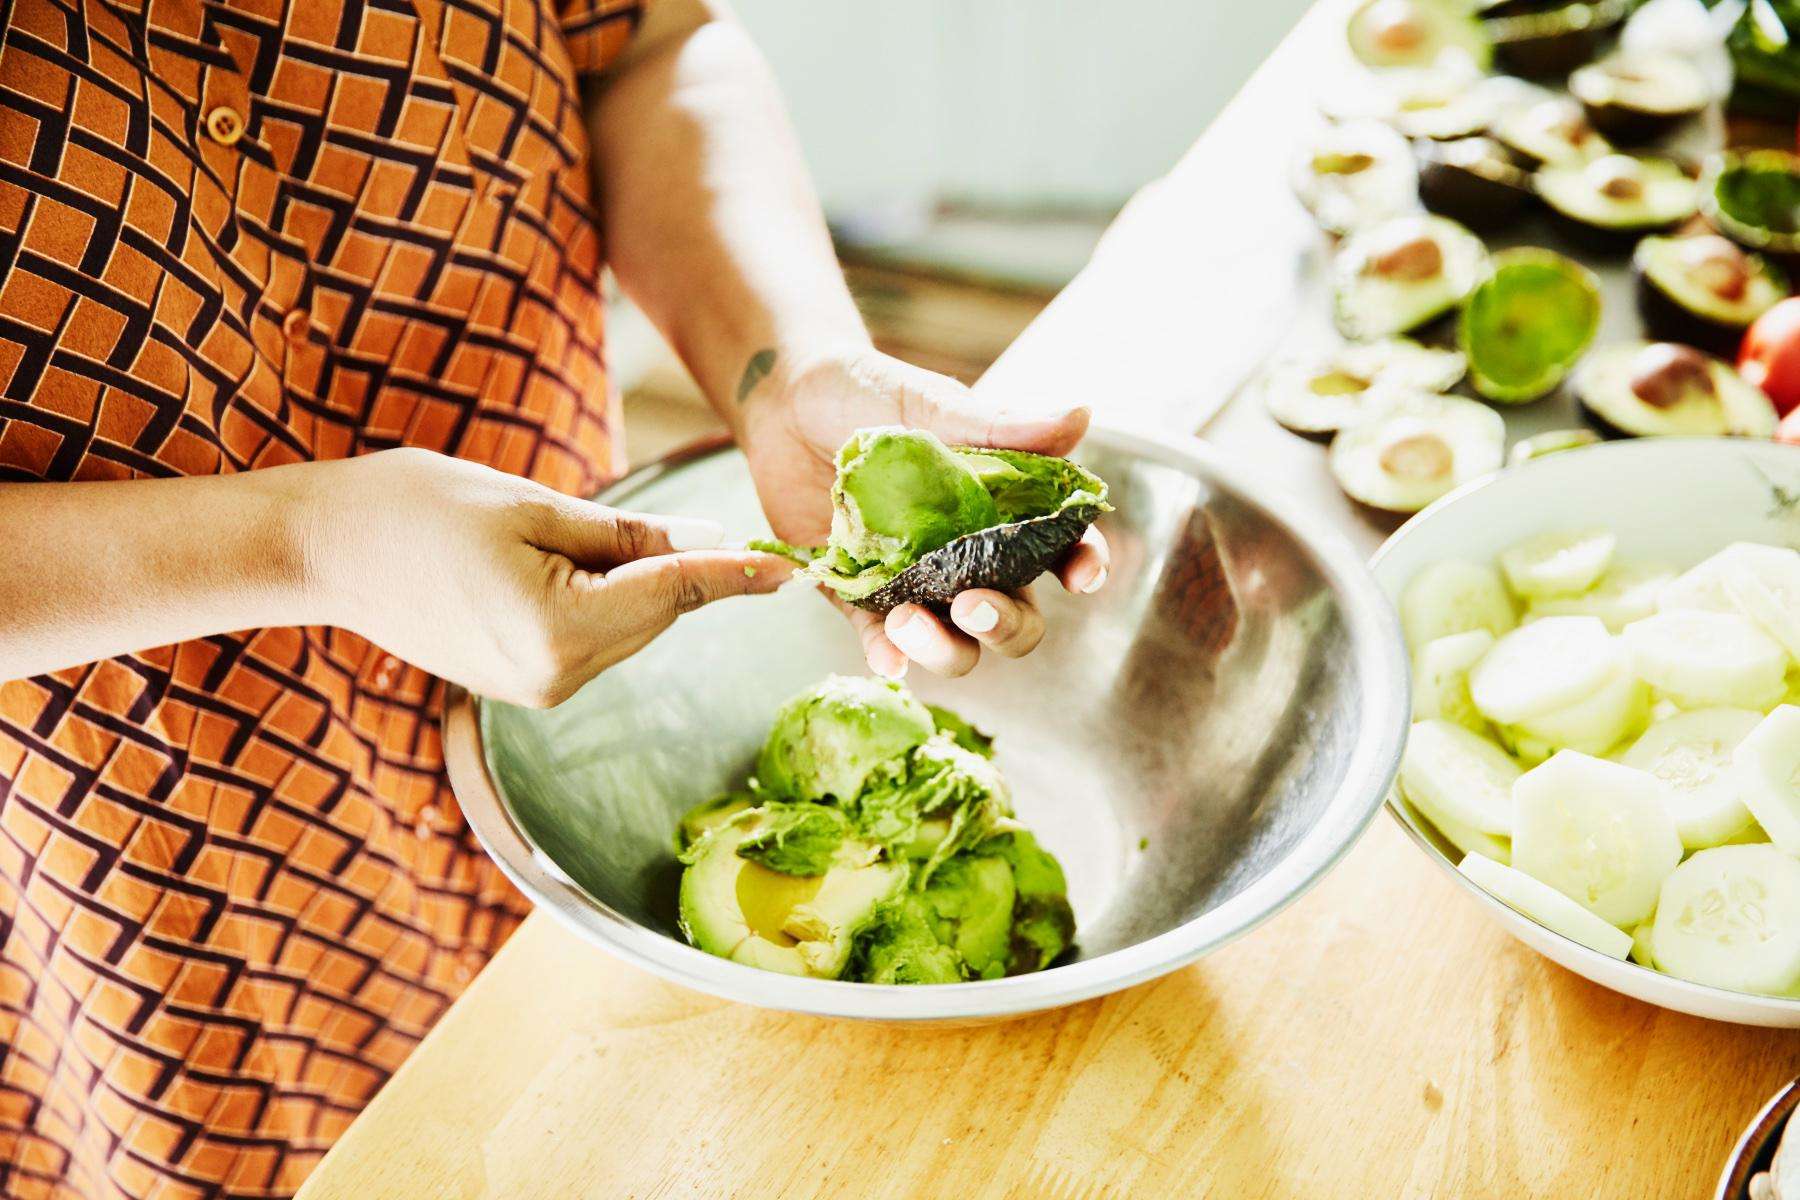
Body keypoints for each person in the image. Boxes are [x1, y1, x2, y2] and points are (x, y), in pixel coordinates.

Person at [0, 0, 1110, 1194]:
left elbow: (641, 45)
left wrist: (783, 364)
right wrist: (307, 547)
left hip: (588, 687)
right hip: (164, 840)